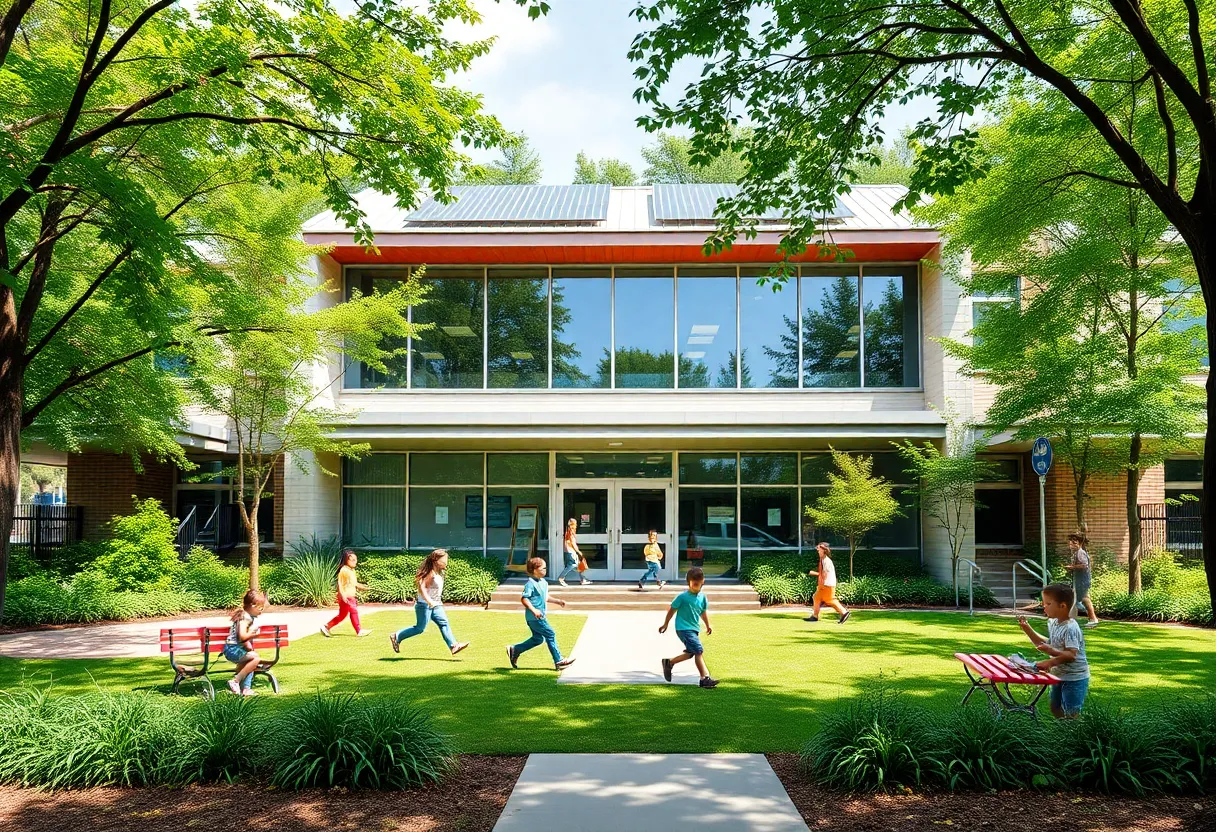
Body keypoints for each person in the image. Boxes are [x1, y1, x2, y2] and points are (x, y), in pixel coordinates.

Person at [1017, 583, 1090, 718]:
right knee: (1055, 708)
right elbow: (1047, 643)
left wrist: (1050, 661)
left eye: (1048, 604)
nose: (1044, 607)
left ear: (1062, 606)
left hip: (1074, 677)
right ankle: (1062, 733)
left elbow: (1071, 655)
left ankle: (1074, 735)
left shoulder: (1070, 628)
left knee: (1071, 712)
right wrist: (1027, 629)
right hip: (1058, 675)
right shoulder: (1053, 622)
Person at [390, 549, 470, 656]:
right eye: (444, 560)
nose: (446, 562)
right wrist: (429, 601)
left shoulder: (439, 572)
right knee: (419, 628)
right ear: (436, 560)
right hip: (424, 605)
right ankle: (397, 636)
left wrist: (434, 602)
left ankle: (453, 646)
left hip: (436, 605)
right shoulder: (431, 573)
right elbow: (422, 587)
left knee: (444, 623)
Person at [506, 557, 577, 671]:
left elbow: (545, 597)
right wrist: (534, 610)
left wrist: (558, 601)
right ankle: (559, 661)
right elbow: (524, 599)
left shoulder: (544, 582)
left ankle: (515, 649)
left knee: (538, 639)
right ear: (535, 570)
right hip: (534, 617)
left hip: (538, 616)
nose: (545, 570)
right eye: (543, 568)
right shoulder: (530, 584)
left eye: (545, 568)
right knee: (551, 634)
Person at [659, 566, 717, 688]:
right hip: (683, 628)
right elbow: (672, 610)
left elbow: (702, 612)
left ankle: (669, 663)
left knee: (691, 653)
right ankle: (704, 678)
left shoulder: (702, 597)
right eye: (693, 583)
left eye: (698, 583)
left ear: (703, 581)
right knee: (698, 650)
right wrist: (666, 624)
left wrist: (707, 625)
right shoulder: (682, 597)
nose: (696, 585)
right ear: (688, 582)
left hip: (694, 628)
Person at [225, 589, 268, 696]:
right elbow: (242, 637)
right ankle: (235, 681)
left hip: (236, 649)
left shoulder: (247, 616)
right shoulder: (245, 617)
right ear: (253, 605)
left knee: (252, 660)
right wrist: (255, 634)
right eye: (260, 608)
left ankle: (246, 689)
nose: (261, 611)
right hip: (233, 649)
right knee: (255, 658)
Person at [321, 548, 371, 638]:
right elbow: (340, 584)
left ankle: (326, 627)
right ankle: (359, 631)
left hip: (349, 595)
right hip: (347, 596)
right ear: (346, 560)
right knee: (353, 610)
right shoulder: (344, 570)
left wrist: (364, 587)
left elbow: (354, 583)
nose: (355, 562)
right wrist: (343, 596)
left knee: (342, 615)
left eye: (356, 560)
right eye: (352, 560)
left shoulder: (351, 570)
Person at [805, 542, 851, 624]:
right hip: (827, 584)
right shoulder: (824, 560)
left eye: (819, 549)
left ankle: (844, 612)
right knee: (817, 597)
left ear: (823, 550)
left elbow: (824, 574)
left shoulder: (826, 561)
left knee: (830, 600)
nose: (817, 550)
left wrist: (821, 583)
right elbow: (822, 573)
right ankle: (815, 616)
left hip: (827, 584)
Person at [1063, 533, 1099, 628]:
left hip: (1083, 580)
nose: (1071, 545)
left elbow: (1084, 565)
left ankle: (1093, 618)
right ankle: (1070, 620)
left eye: (1073, 543)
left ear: (1079, 543)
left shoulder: (1080, 553)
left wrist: (1072, 567)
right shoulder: (1077, 553)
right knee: (1074, 599)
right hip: (1079, 579)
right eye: (1070, 543)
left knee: (1084, 599)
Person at [557, 518, 591, 587]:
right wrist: (578, 551)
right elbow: (573, 543)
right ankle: (561, 578)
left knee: (579, 565)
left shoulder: (567, 532)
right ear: (572, 525)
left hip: (568, 551)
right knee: (572, 565)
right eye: (575, 524)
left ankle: (583, 580)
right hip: (571, 551)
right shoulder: (571, 532)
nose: (576, 525)